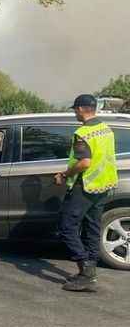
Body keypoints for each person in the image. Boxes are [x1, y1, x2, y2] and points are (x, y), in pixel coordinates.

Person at [54, 94, 118, 292]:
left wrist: (64, 174)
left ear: (81, 109)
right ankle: (89, 271)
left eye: (75, 109)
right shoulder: (106, 129)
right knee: (92, 227)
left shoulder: (83, 133)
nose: (75, 113)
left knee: (66, 227)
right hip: (103, 185)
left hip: (86, 186)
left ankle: (86, 271)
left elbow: (84, 162)